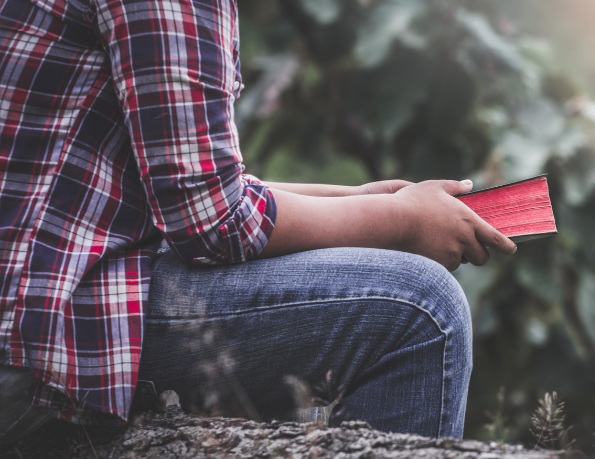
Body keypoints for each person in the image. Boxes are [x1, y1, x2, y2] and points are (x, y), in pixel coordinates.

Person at [0, 0, 516, 445]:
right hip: (35, 323)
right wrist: (399, 223)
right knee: (421, 309)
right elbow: (211, 220)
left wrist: (360, 200)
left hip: (32, 295)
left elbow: (182, 181)